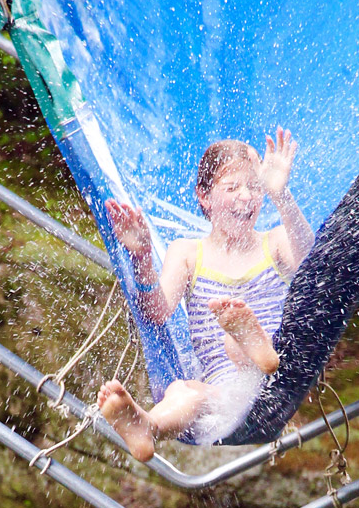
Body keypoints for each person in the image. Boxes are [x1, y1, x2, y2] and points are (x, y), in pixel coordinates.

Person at [98, 126, 314, 460]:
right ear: (204, 196)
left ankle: (252, 345)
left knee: (234, 341)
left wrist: (280, 195)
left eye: (255, 187)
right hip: (227, 396)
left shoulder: (276, 242)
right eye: (232, 187)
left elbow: (313, 265)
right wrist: (140, 257)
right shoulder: (186, 253)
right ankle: (146, 426)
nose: (246, 196)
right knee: (183, 390)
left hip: (281, 377)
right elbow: (156, 313)